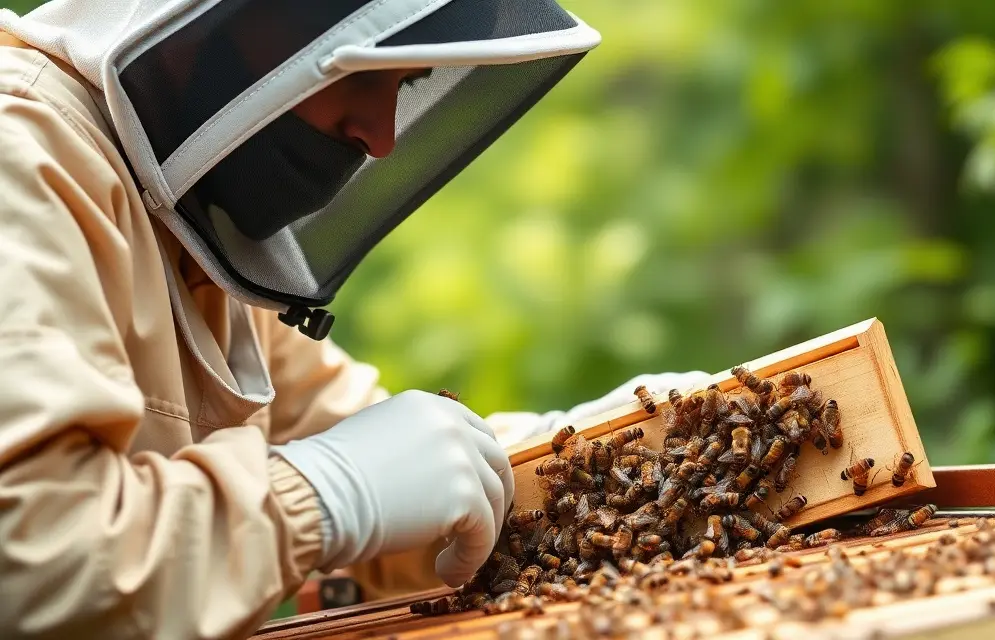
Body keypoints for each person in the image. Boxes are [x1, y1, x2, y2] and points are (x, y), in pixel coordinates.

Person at [0, 1, 709, 638]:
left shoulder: (188, 234)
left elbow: (377, 453)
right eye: (364, 74)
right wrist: (322, 494)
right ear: (216, 20)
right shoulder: (22, 160)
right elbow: (33, 564)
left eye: (401, 87)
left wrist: (613, 461)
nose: (381, 140)